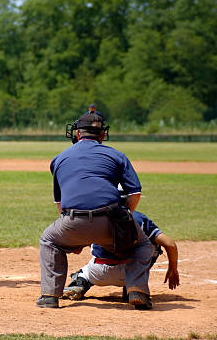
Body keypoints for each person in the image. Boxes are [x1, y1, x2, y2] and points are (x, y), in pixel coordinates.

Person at [37, 111, 154, 309]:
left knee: (49, 240)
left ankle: (50, 296)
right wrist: (123, 221)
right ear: (102, 135)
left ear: (77, 133)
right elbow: (134, 193)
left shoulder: (59, 159)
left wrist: (77, 236)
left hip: (72, 221)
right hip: (111, 220)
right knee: (143, 246)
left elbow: (60, 203)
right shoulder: (117, 155)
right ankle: (137, 290)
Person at [62, 209, 179, 302]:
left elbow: (76, 249)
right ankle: (134, 287)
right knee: (154, 245)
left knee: (84, 272)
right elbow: (171, 245)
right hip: (131, 271)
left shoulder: (95, 217)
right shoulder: (138, 217)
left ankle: (80, 282)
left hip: (97, 273)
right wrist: (172, 268)